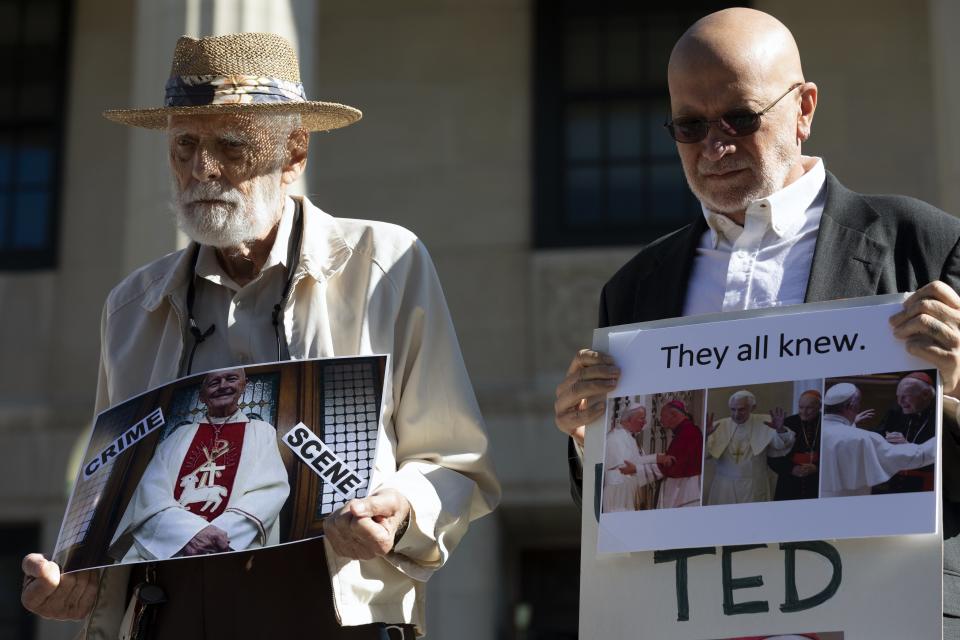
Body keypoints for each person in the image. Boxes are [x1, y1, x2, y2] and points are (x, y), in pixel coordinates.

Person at [21, 33, 499, 639]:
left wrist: (398, 511)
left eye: (231, 145)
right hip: (171, 611)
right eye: (185, 145)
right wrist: (81, 585)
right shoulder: (131, 308)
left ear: (294, 152)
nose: (202, 169)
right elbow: (112, 496)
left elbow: (455, 463)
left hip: (326, 608)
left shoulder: (385, 264)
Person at [551, 7, 960, 635]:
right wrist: (588, 439)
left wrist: (955, 389)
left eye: (740, 118)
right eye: (689, 126)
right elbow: (616, 524)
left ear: (804, 108)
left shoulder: (927, 246)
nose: (714, 147)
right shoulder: (633, 289)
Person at [108, 367, 289, 562]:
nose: (223, 386)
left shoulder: (261, 432)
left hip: (230, 547)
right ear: (202, 396)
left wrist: (218, 535)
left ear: (243, 386)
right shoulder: (177, 436)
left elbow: (268, 491)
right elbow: (151, 494)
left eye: (231, 379)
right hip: (172, 546)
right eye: (214, 382)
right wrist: (188, 534)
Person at [820, 383, 936, 498]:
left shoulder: (818, 430)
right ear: (852, 405)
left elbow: (838, 437)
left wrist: (851, 423)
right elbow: (919, 456)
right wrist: (940, 438)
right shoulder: (864, 438)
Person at [704, 391, 793, 504]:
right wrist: (705, 437)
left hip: (755, 485)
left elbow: (781, 445)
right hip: (724, 487)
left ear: (753, 407)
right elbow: (705, 456)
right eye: (733, 409)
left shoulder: (765, 422)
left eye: (741, 409)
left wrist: (780, 430)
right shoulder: (718, 426)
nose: (736, 414)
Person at [873, 371, 937, 493]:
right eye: (898, 396)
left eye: (905, 396)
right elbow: (878, 437)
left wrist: (909, 448)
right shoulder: (895, 412)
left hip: (926, 487)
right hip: (895, 483)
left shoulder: (939, 415)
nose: (900, 402)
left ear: (926, 394)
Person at [602, 406, 665, 512]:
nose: (645, 422)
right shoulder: (615, 437)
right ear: (628, 420)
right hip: (619, 492)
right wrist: (657, 458)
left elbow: (637, 462)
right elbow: (628, 465)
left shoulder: (631, 438)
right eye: (642, 418)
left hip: (629, 492)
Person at [767, 390, 822, 501]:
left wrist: (817, 467)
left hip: (816, 482)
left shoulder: (825, 423)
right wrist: (791, 469)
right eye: (801, 407)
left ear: (819, 406)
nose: (804, 412)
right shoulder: (787, 423)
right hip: (789, 482)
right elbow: (772, 456)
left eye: (809, 408)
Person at [655, 400, 703, 508]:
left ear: (674, 415)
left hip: (683, 489)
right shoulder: (686, 430)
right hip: (682, 486)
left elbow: (672, 465)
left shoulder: (688, 432)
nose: (660, 420)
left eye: (663, 416)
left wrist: (638, 470)